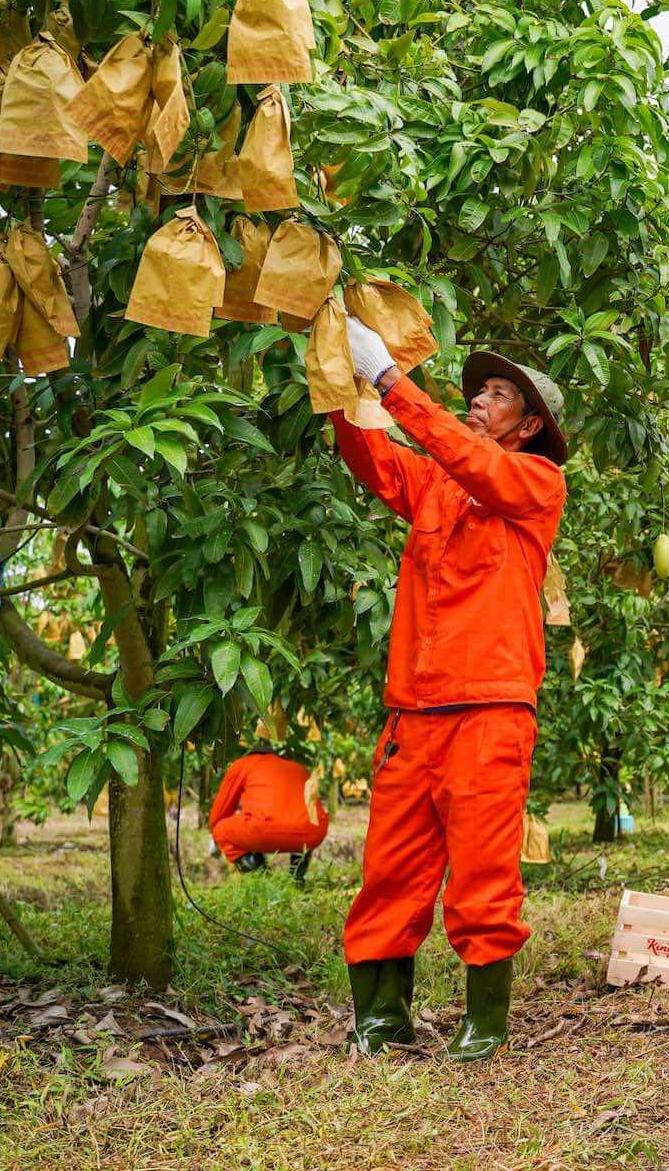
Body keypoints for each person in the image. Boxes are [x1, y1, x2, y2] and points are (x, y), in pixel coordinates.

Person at [334, 318, 568, 1061]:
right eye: (477, 392)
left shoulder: (535, 481)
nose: (477, 401)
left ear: (529, 425)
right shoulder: (436, 482)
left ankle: (485, 1024)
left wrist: (391, 381)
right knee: (390, 868)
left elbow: (471, 460)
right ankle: (381, 1019)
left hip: (490, 709)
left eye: (498, 396)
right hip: (414, 710)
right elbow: (375, 458)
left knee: (483, 870)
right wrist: (339, 378)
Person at [208, 742, 330, 883]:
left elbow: (222, 808)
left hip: (263, 830)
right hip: (311, 832)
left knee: (220, 829)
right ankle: (297, 880)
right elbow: (315, 807)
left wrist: (214, 833)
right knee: (304, 824)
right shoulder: (297, 767)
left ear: (251, 754)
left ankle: (263, 881)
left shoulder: (243, 764)